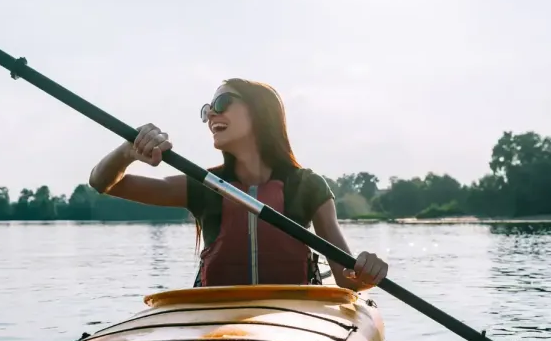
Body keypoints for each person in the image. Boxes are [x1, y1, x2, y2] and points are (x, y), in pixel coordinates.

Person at [88, 78, 389, 291]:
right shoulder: (202, 185)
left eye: (222, 102)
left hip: (295, 318)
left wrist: (366, 273)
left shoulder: (308, 186)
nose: (211, 115)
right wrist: (127, 151)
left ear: (261, 112)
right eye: (207, 109)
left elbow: (345, 279)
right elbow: (104, 183)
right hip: (216, 319)